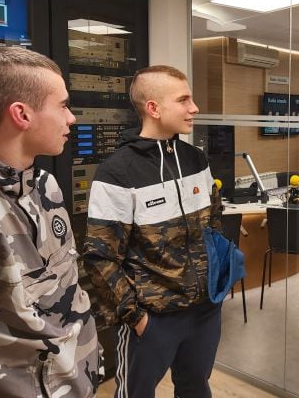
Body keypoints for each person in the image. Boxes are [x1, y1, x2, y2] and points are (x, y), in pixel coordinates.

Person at [0, 47, 100, 397]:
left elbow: (68, 289)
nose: (72, 119)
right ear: (22, 114)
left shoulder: (43, 184)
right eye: (63, 105)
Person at [82, 65, 223, 398]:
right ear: (154, 108)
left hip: (204, 310)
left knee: (195, 388)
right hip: (153, 319)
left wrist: (218, 282)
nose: (194, 108)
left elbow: (213, 223)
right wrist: (135, 317)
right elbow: (100, 257)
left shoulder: (196, 158)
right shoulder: (117, 171)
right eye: (184, 100)